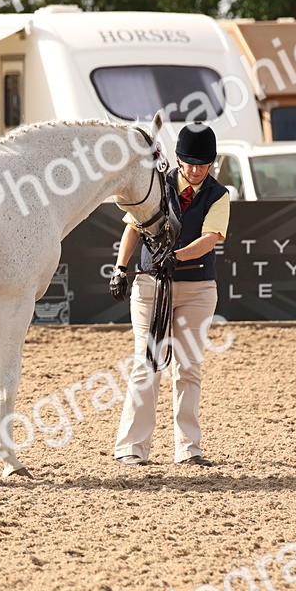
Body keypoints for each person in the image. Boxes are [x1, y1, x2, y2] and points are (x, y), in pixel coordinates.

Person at [108, 122, 230, 467]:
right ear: (177, 159)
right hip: (151, 286)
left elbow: (210, 239)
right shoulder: (157, 186)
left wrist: (175, 257)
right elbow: (133, 226)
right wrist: (120, 268)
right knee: (147, 364)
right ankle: (132, 446)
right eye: (189, 163)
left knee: (188, 368)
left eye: (202, 165)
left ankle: (188, 448)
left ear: (212, 163)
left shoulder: (218, 195)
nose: (194, 171)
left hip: (197, 290)